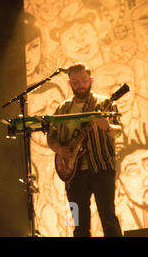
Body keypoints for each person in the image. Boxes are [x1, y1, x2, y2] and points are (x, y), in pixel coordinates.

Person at [47, 63, 123, 237]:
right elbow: (51, 136)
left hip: (101, 167)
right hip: (73, 173)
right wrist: (59, 149)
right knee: (79, 225)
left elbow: (118, 132)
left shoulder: (104, 103)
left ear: (91, 80)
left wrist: (107, 126)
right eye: (75, 82)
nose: (80, 85)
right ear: (69, 84)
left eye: (84, 80)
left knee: (108, 218)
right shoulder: (62, 109)